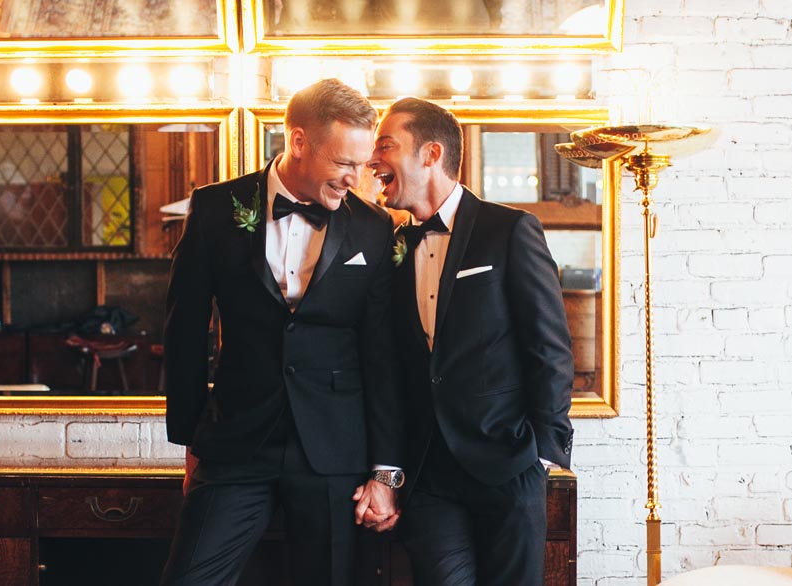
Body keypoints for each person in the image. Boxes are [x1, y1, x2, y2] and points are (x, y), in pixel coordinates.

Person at [162, 78, 404, 586]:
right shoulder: (212, 209)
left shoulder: (375, 229)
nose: (355, 179)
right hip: (235, 445)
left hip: (336, 451)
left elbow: (382, 356)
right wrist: (189, 440)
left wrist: (385, 472)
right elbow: (184, 331)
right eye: (344, 164)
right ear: (298, 142)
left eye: (362, 165)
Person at [368, 97, 574, 586]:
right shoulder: (391, 247)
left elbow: (549, 346)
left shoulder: (509, 230)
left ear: (431, 153)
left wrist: (542, 455)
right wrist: (389, 473)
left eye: (386, 146)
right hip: (429, 476)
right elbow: (390, 370)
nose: (373, 161)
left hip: (508, 465)